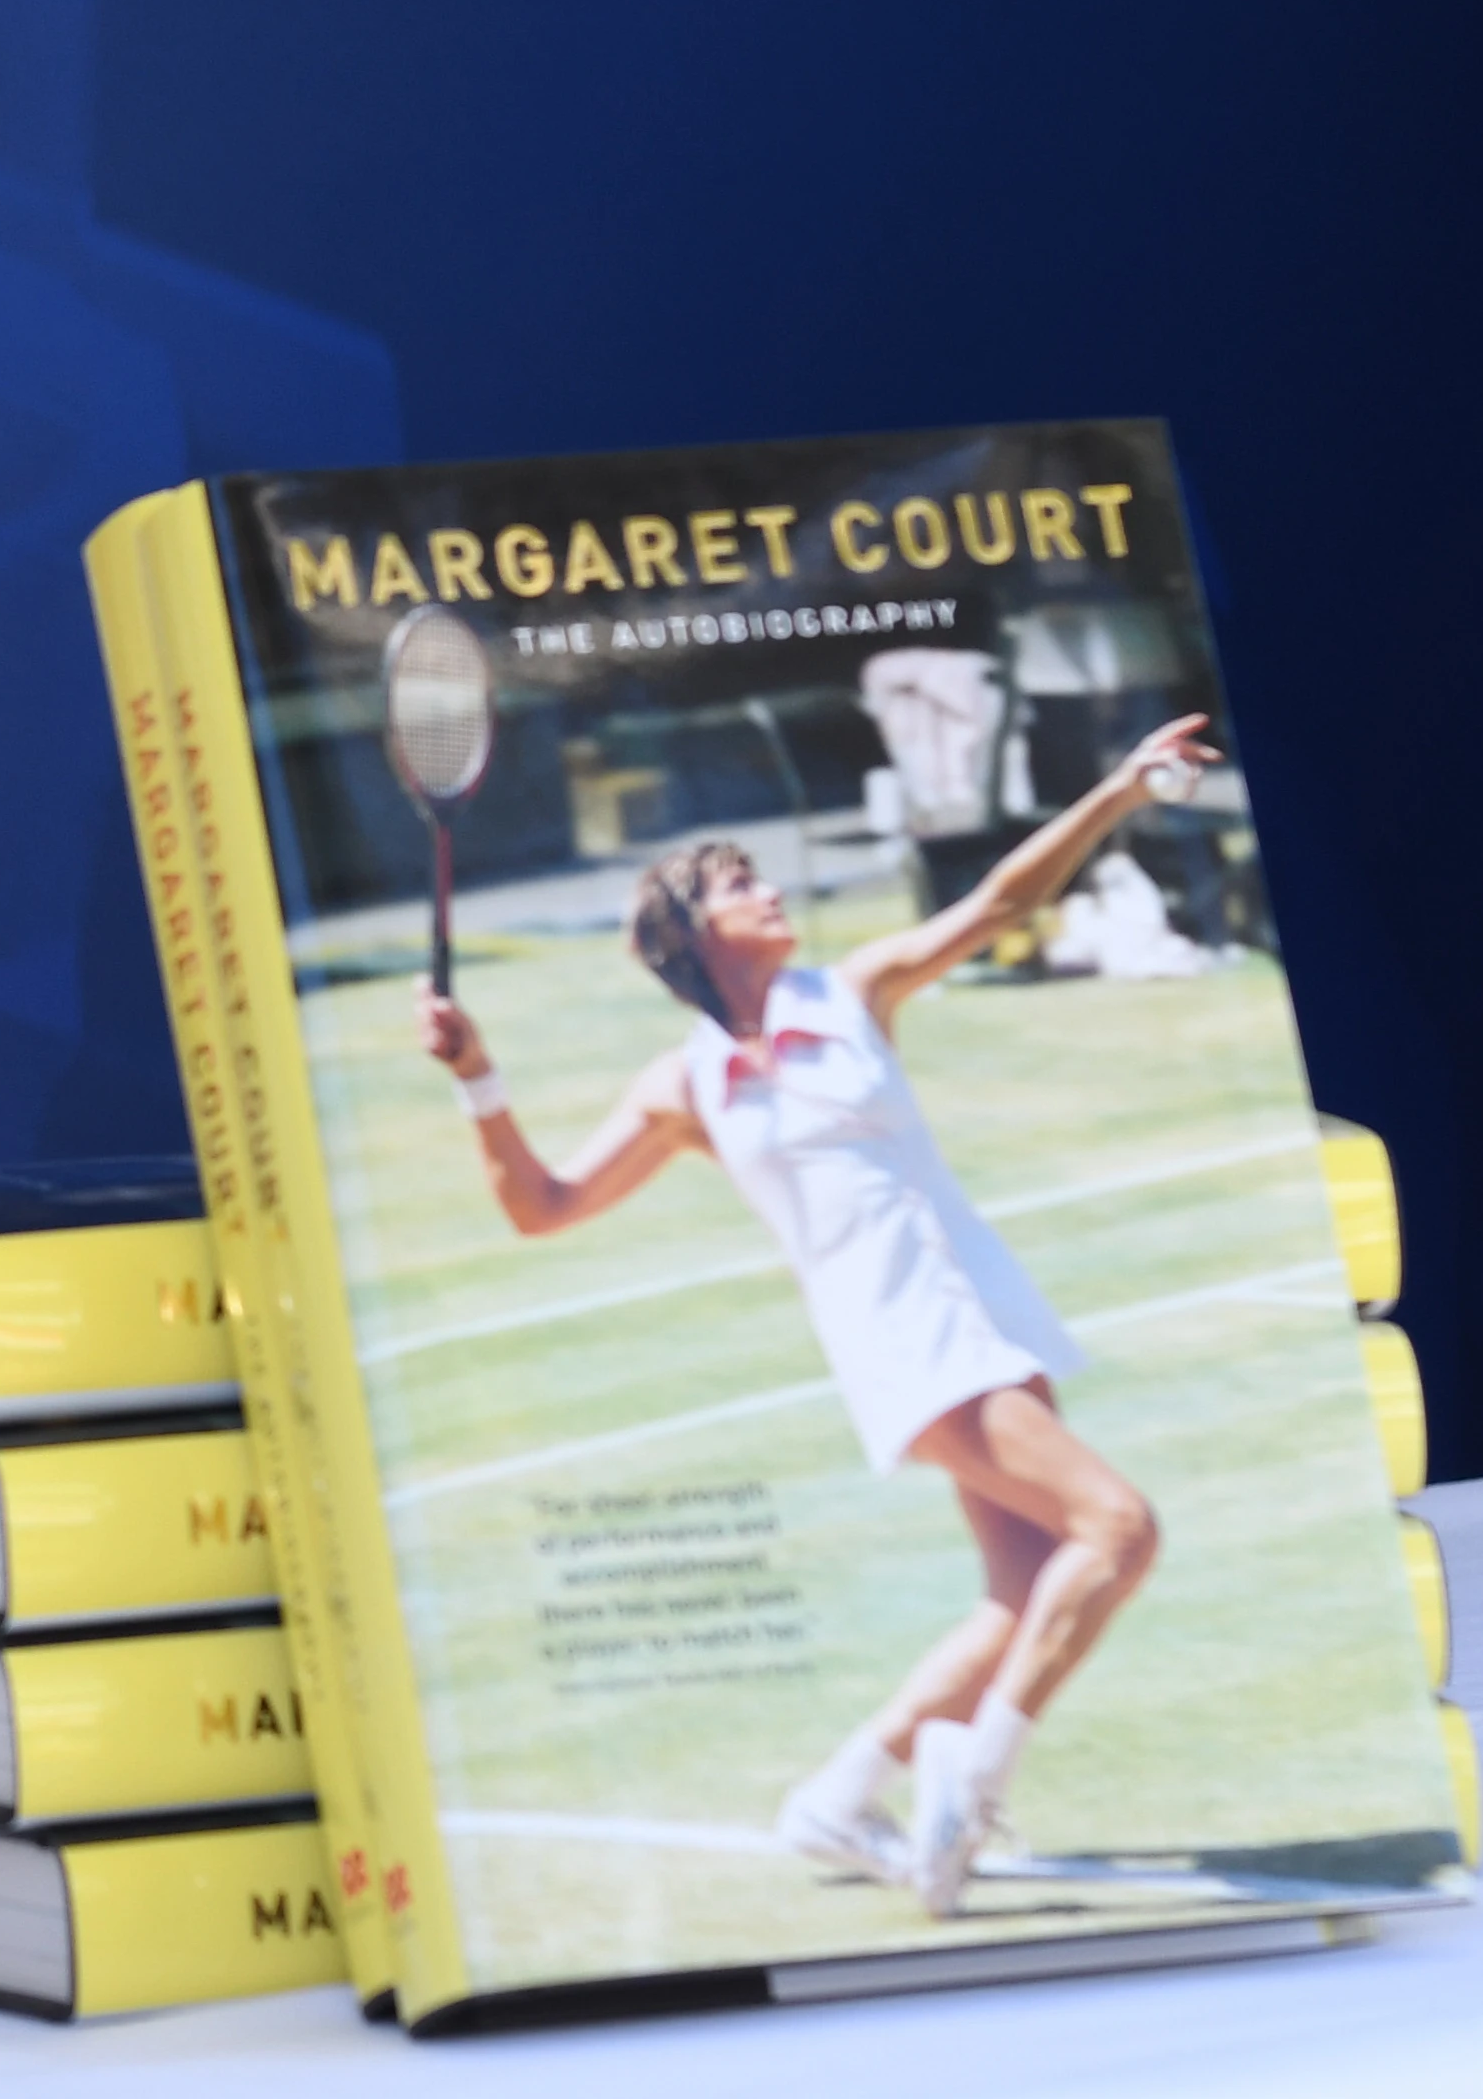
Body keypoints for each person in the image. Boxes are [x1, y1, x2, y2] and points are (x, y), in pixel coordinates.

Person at [414, 710, 1221, 1917]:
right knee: (1116, 1527)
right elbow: (542, 1204)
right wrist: (478, 1076)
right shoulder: (683, 1082)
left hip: (982, 1315)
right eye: (738, 884)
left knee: (1021, 1596)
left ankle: (842, 1795)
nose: (768, 887)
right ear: (690, 933)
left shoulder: (848, 992)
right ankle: (971, 1780)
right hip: (908, 1342)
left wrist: (1117, 790)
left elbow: (998, 900)